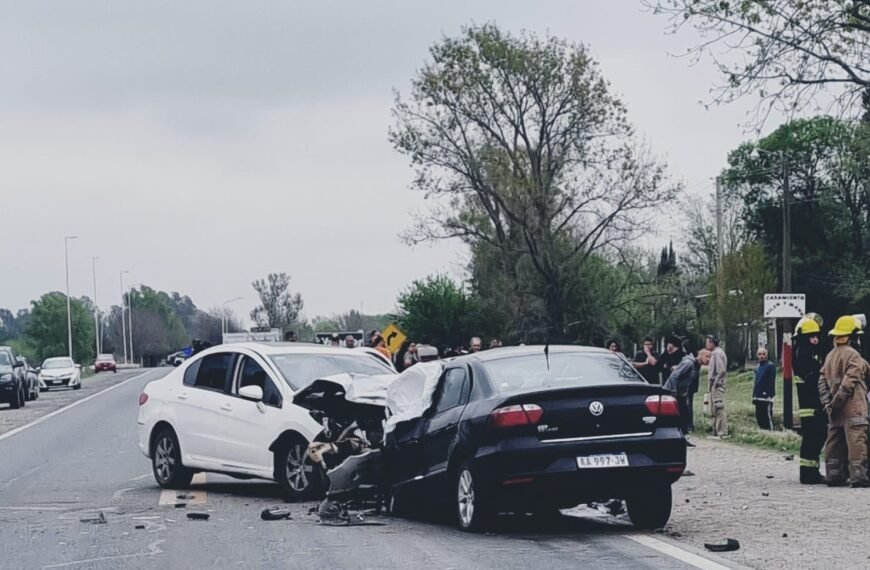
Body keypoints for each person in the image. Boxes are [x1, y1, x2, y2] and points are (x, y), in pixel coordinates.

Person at [818, 315, 869, 487]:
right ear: (852, 336)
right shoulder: (854, 356)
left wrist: (828, 404)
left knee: (834, 443)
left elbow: (822, 381)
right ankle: (859, 477)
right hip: (853, 409)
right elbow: (850, 382)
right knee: (857, 442)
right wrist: (837, 402)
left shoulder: (830, 356)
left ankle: (834, 475)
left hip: (835, 411)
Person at [794, 313, 827, 484]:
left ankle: (811, 471)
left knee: (816, 436)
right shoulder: (803, 353)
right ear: (804, 337)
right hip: (810, 404)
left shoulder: (807, 351)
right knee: (813, 437)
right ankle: (808, 473)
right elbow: (813, 376)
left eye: (816, 336)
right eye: (811, 336)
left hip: (812, 403)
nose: (815, 340)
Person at [664, 348, 710, 436]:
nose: (708, 359)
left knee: (684, 414)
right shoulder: (689, 363)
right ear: (700, 356)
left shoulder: (696, 365)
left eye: (710, 357)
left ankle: (684, 437)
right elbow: (674, 376)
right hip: (673, 391)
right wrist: (673, 391)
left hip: (681, 392)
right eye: (707, 356)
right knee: (678, 414)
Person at [706, 334, 728, 438]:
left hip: (717, 385)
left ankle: (721, 432)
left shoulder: (717, 353)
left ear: (712, 342)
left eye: (708, 342)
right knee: (714, 409)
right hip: (714, 385)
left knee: (719, 408)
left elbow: (721, 370)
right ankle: (716, 431)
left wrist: (715, 383)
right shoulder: (715, 353)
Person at [752, 348, 776, 431]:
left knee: (767, 416)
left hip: (766, 396)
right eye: (759, 354)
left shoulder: (770, 366)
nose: (761, 356)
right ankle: (763, 432)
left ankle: (771, 432)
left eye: (763, 354)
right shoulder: (757, 367)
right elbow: (756, 382)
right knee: (759, 416)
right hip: (758, 396)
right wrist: (754, 395)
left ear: (767, 355)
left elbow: (771, 381)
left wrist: (769, 394)